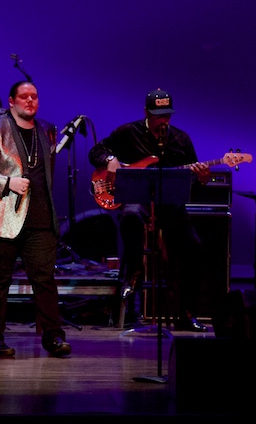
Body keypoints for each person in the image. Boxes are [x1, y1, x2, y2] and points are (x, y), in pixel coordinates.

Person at [87, 88, 211, 331]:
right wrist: (110, 159)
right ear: (146, 113)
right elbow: (96, 151)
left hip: (170, 206)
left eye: (166, 115)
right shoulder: (127, 132)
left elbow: (190, 184)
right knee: (131, 216)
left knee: (194, 247)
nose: (162, 121)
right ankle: (134, 267)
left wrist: (202, 178)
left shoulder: (181, 140)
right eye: (157, 115)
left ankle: (187, 314)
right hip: (137, 200)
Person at [0, 80, 71, 358]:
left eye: (34, 96)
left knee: (44, 279)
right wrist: (6, 182)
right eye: (24, 96)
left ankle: (53, 336)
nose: (30, 101)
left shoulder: (46, 129)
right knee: (0, 278)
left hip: (40, 217)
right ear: (11, 101)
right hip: (3, 215)